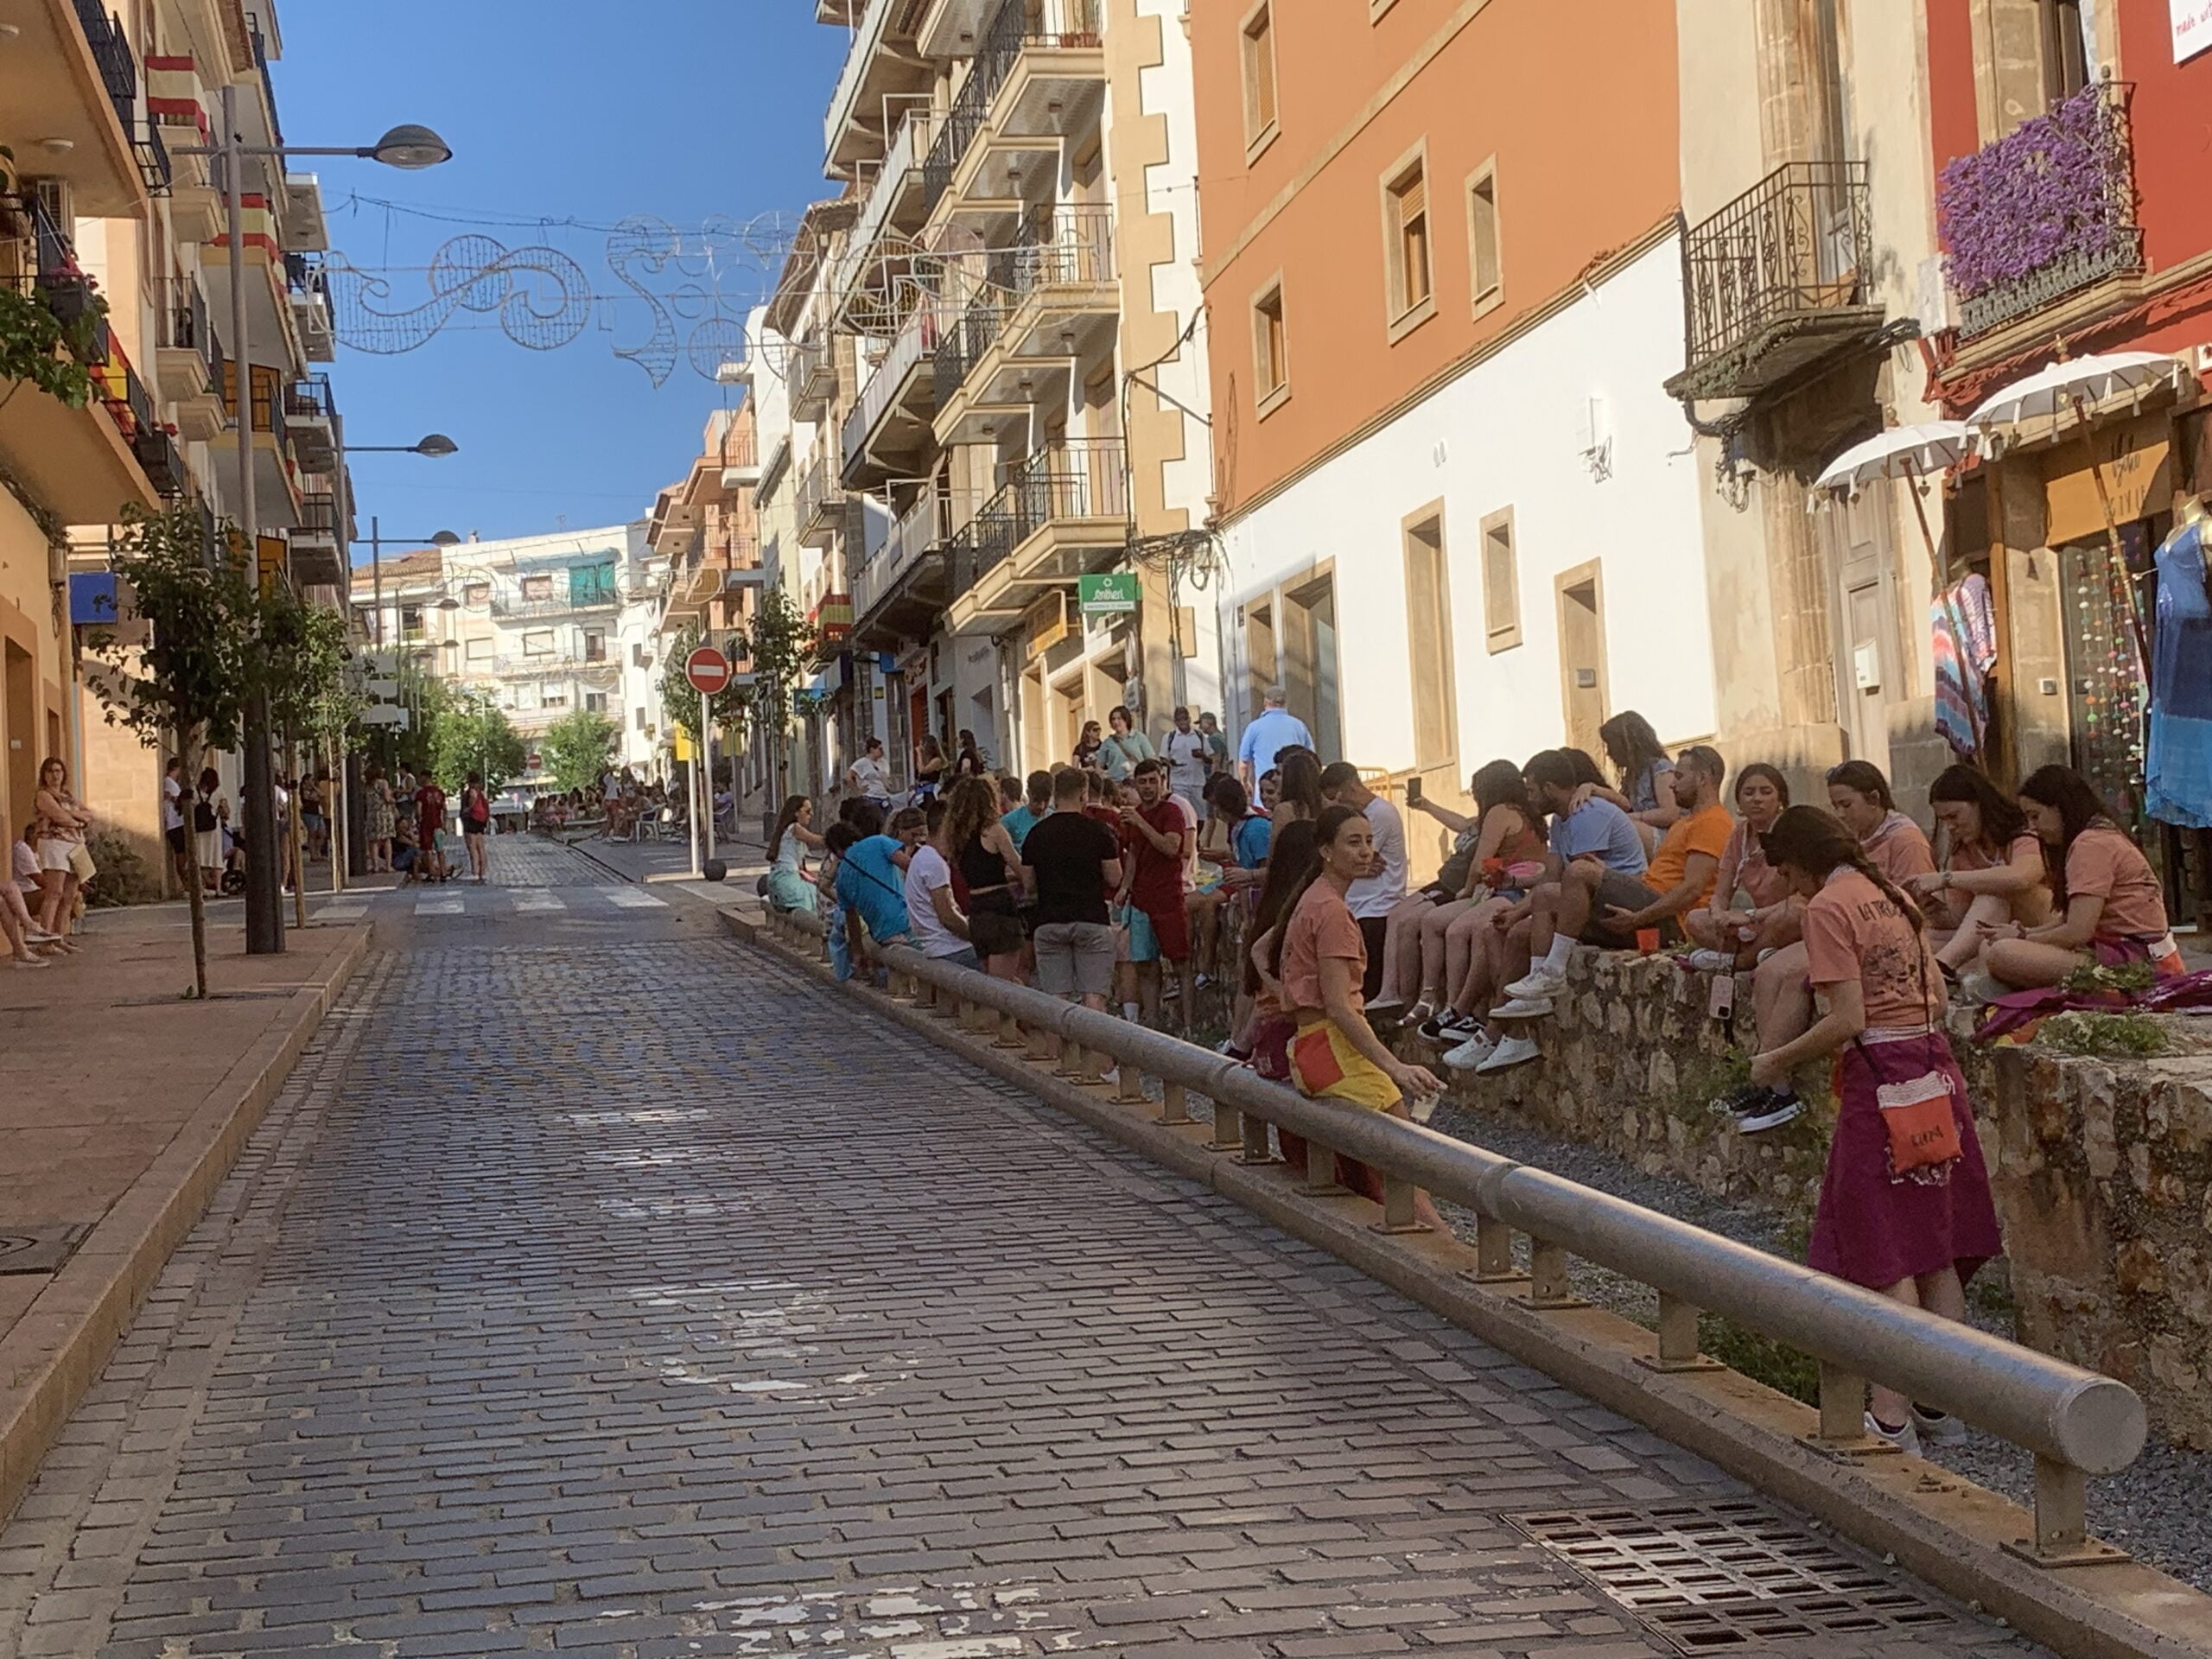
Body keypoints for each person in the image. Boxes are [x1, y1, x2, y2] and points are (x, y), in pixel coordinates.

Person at [1745, 804, 2001, 1455]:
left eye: (1784, 869)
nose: (1786, 882)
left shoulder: (1828, 908)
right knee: (1936, 1245)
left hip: (1880, 1081)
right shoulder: (1891, 898)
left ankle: (1889, 1418)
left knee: (1881, 1245)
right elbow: (1937, 999)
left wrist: (1775, 1059)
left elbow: (1847, 1017)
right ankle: (1943, 1403)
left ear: (1799, 861)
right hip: (1934, 1072)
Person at [1256, 804, 1446, 1223]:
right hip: (1336, 1050)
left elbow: (1262, 954)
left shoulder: (1311, 900)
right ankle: (1449, 1255)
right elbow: (1340, 1007)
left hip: (1310, 1047)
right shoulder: (1332, 912)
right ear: (1326, 850)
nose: (1365, 852)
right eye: (1353, 842)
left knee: (1397, 1170)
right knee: (1406, 1169)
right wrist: (1395, 1067)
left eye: (1369, 841)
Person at [1974, 765, 2179, 994]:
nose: (2033, 827)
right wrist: (2025, 934)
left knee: (2002, 953)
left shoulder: (2090, 844)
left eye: (2035, 816)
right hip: (2113, 952)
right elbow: (2070, 920)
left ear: (2061, 808)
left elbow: (2078, 931)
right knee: (1991, 947)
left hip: (2134, 962)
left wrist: (2023, 937)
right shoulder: (2093, 837)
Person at [1373, 760, 1548, 1029]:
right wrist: (1428, 806)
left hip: (1508, 892)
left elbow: (1480, 862)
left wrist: (1466, 891)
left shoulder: (1499, 812)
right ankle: (1431, 997)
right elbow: (1466, 825)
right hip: (1504, 889)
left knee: (1454, 931)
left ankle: (1453, 1007)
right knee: (1433, 922)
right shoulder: (1520, 812)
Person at [1904, 765, 2053, 975]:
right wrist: (1933, 910)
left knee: (1994, 891)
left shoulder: (2023, 835)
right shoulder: (1962, 851)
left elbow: (2022, 877)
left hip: (2044, 925)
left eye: (1954, 816)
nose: (1950, 827)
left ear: (1979, 805)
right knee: (1925, 939)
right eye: (1944, 820)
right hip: (1998, 934)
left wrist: (1947, 879)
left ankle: (1942, 968)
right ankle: (1940, 971)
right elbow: (1962, 920)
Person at [1023, 766, 1124, 1017]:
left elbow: (1029, 885)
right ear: (1083, 795)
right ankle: (1096, 1055)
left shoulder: (1036, 834)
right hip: (1091, 918)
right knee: (1094, 998)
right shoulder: (1100, 832)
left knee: (1056, 1000)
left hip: (1049, 921)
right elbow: (1115, 878)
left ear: (1055, 795)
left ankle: (1054, 1054)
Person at [1684, 763, 1796, 965]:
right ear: (1739, 802)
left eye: (1766, 792)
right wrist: (1719, 915)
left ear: (1780, 799)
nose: (1757, 799)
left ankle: (1742, 961)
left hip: (1782, 917)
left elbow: (1802, 898)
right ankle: (1758, 954)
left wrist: (1750, 916)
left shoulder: (1793, 830)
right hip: (1755, 925)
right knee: (1695, 919)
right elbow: (1721, 894)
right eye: (1749, 793)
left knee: (1790, 916)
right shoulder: (1739, 835)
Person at [1116, 758, 1197, 1028]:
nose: (1148, 787)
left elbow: (1171, 847)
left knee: (1180, 963)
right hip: (1141, 899)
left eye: (1153, 781)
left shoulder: (1172, 812)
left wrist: (1141, 823)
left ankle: (1188, 1025)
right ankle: (1152, 1022)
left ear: (1162, 781)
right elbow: (1134, 854)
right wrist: (1125, 887)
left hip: (1168, 898)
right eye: (1143, 782)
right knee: (1145, 964)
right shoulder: (1134, 816)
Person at [1316, 762, 1407, 998]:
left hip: (1376, 908)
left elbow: (1347, 859)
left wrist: (1348, 865)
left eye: (1337, 798)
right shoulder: (1363, 816)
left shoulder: (1379, 814)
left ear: (1349, 788)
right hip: (1357, 906)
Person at [944, 773, 1026, 979]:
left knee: (988, 979)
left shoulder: (956, 837)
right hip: (1000, 908)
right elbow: (1021, 869)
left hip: (976, 909)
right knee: (1002, 984)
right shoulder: (994, 832)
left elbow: (980, 873)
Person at [904, 795, 980, 969]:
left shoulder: (922, 858)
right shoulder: (934, 862)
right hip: (951, 948)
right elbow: (947, 916)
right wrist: (975, 936)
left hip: (935, 946)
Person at [1598, 710, 1681, 841]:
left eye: (1611, 745)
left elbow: (1670, 813)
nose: (1608, 753)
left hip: (1668, 838)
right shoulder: (1632, 775)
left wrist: (1635, 818)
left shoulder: (1661, 768)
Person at [31, 758, 91, 939]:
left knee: (69, 894)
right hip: (54, 844)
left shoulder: (68, 796)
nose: (54, 775)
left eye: (58, 771)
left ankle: (59, 936)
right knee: (54, 892)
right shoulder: (43, 795)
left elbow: (89, 814)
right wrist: (77, 822)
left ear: (63, 774)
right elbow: (58, 816)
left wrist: (72, 814)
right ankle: (46, 938)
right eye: (50, 771)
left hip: (74, 846)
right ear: (44, 775)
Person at [1236, 686, 1313, 787]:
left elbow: (1243, 764)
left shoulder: (1254, 728)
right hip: (1295, 790)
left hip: (1265, 792)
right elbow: (1311, 758)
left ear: (1265, 702)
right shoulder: (1299, 726)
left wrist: (1245, 783)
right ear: (1285, 703)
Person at [766, 794, 825, 914]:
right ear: (796, 813)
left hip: (778, 883)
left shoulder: (784, 831)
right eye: (808, 811)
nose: (811, 814)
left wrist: (820, 879)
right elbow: (817, 840)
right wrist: (840, 838)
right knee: (819, 899)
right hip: (788, 885)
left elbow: (802, 870)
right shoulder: (795, 828)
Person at [1162, 707, 1211, 817]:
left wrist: (1202, 756)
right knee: (1182, 813)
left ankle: (1197, 835)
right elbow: (1163, 758)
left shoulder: (1199, 736)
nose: (1182, 722)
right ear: (1175, 721)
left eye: (1184, 719)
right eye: (1179, 720)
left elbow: (1210, 758)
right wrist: (1171, 762)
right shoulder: (1169, 737)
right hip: (1178, 782)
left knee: (1200, 815)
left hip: (1197, 782)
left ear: (1189, 719)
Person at [1095, 704, 1155, 784]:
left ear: (1126, 719)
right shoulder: (1108, 742)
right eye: (1113, 719)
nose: (1116, 722)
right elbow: (1099, 765)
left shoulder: (1139, 737)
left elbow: (1151, 760)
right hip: (1116, 784)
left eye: (1119, 718)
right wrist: (1103, 776)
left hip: (1136, 782)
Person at [161, 757, 193, 893]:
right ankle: (184, 882)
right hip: (175, 823)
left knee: (182, 852)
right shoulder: (170, 782)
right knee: (181, 853)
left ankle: (185, 882)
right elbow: (176, 800)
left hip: (177, 822)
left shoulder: (172, 783)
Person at [1273, 750, 1327, 829]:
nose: (1274, 778)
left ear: (1290, 778)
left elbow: (1278, 840)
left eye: (1279, 773)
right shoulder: (1327, 805)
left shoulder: (1284, 810)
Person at [999, 772, 1050, 853]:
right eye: (1036, 800)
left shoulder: (1054, 817)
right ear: (1028, 793)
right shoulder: (1009, 821)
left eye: (1046, 801)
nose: (1042, 806)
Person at [194, 766, 227, 893]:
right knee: (215, 857)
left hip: (199, 828)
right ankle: (218, 889)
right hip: (213, 827)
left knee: (201, 856)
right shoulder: (219, 791)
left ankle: (203, 887)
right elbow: (225, 810)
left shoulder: (195, 790)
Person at [416, 769, 449, 884]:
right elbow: (444, 809)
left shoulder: (421, 794)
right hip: (438, 824)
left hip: (426, 824)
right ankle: (443, 873)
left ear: (424, 777)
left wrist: (418, 819)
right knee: (440, 849)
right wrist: (444, 823)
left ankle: (431, 873)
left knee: (428, 849)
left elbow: (419, 810)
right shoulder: (439, 792)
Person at [461, 773, 493, 882]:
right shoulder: (481, 791)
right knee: (481, 847)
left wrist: (468, 808)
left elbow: (473, 797)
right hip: (481, 820)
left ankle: (475, 871)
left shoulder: (472, 790)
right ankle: (482, 872)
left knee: (472, 846)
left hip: (472, 819)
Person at [365, 765, 396, 874]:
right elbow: (387, 798)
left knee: (373, 841)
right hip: (383, 814)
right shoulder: (383, 783)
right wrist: (393, 800)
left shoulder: (367, 784)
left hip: (372, 814)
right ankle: (388, 865)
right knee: (386, 839)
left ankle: (375, 866)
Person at [847, 736, 893, 810]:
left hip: (884, 797)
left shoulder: (883, 762)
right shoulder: (863, 762)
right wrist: (858, 790)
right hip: (871, 797)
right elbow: (849, 776)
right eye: (879, 749)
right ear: (872, 750)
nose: (882, 751)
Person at [913, 733, 948, 801]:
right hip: (920, 790)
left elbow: (923, 771)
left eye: (921, 744)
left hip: (930, 791)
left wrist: (919, 754)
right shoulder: (923, 760)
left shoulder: (937, 760)